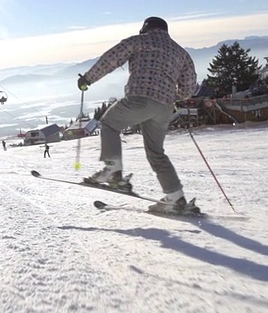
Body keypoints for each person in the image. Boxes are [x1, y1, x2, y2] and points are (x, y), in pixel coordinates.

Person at [77, 16, 198, 214]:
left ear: (145, 28)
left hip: (140, 97)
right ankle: (176, 198)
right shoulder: (181, 53)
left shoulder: (139, 41)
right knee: (156, 153)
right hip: (164, 107)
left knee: (109, 124)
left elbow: (111, 59)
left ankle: (112, 171)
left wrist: (87, 79)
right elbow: (189, 87)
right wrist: (172, 96)